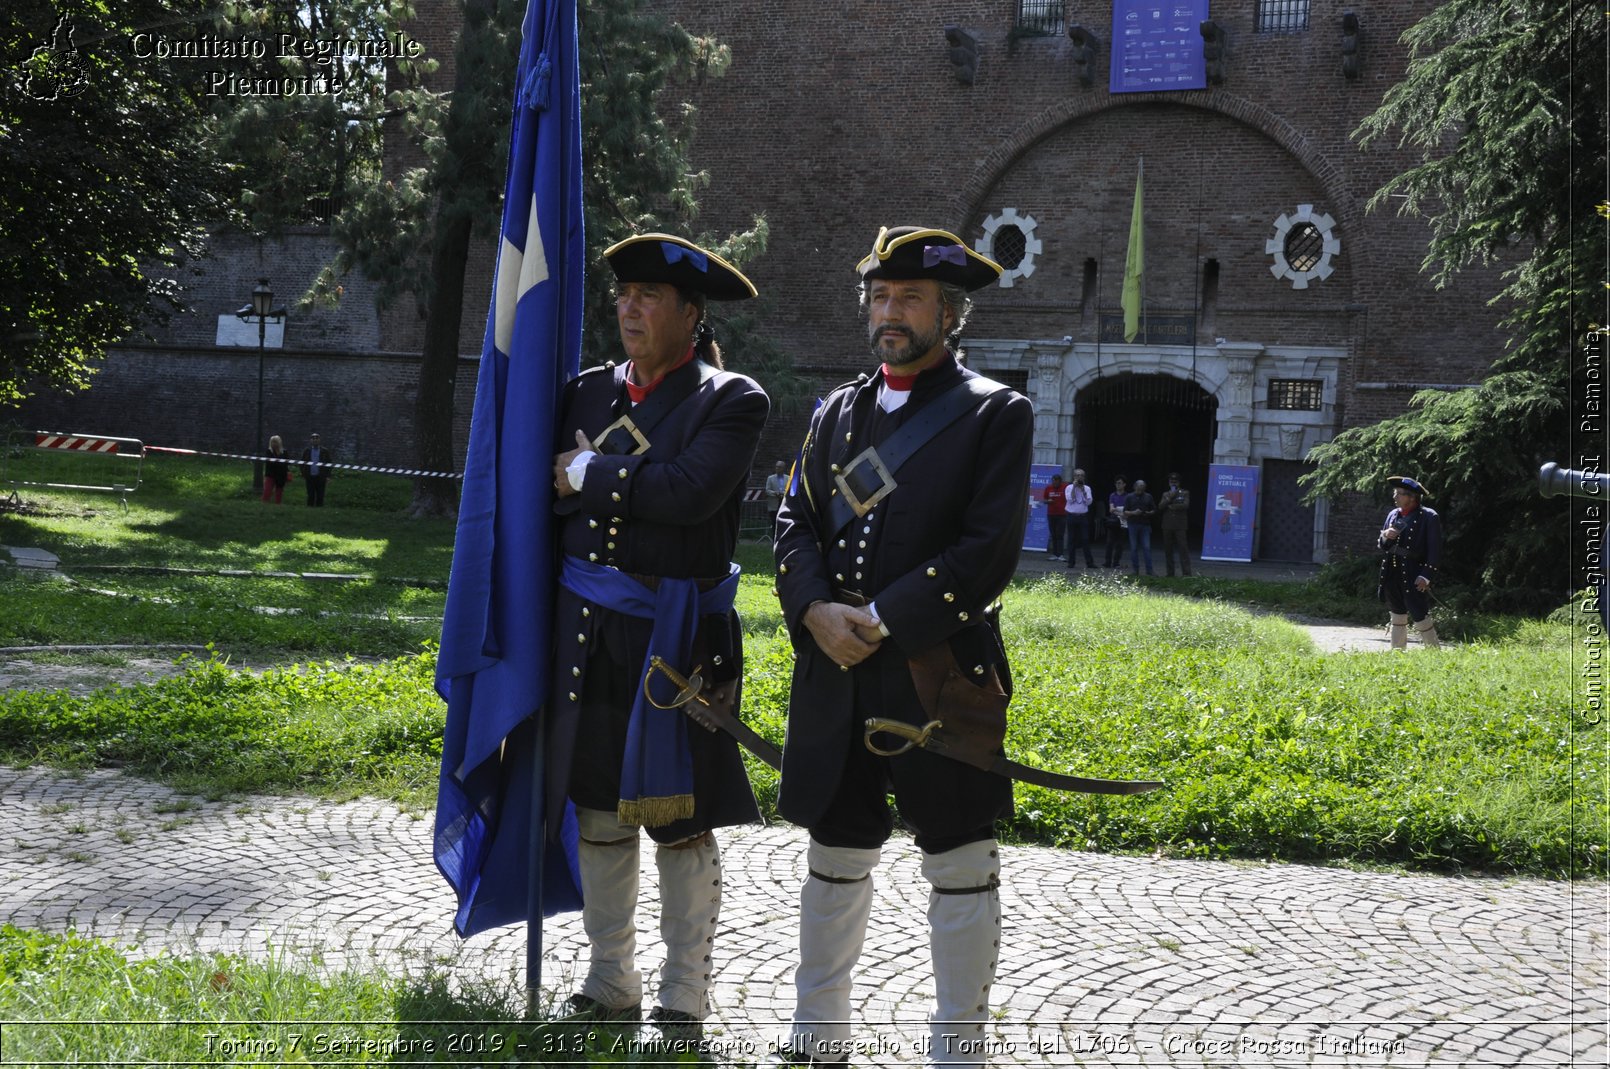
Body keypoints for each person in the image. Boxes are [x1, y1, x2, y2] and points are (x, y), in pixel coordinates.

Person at [772, 226, 1033, 1066]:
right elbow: (794, 525)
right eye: (881, 296)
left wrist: (877, 618)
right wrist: (814, 607)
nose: (891, 312)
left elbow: (987, 552)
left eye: (911, 298)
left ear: (948, 314)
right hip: (835, 675)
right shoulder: (835, 410)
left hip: (935, 675)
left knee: (958, 857)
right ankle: (817, 1040)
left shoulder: (995, 413)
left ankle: (959, 1050)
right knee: (834, 852)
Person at [547, 233, 769, 1041]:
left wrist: (587, 475)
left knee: (679, 818)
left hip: (680, 642)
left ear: (689, 312)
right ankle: (611, 977)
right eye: (623, 294)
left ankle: (685, 989)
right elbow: (546, 492)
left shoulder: (731, 399)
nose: (630, 309)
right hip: (586, 634)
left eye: (648, 296)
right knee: (598, 810)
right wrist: (584, 481)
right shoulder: (581, 393)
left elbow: (689, 494)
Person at [1377, 475, 1442, 649]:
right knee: (1397, 614)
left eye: (1399, 493)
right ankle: (1398, 655)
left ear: (1412, 497)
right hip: (1392, 571)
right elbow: (1383, 546)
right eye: (1395, 493)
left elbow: (1434, 550)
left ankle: (1434, 654)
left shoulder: (1429, 517)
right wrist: (1386, 537)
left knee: (1420, 613)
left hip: (1414, 571)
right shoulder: (1393, 514)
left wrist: (1426, 575)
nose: (1394, 497)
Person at [1158, 471, 1192, 577]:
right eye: (1171, 481)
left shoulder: (1184, 492)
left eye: (1175, 481)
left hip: (1180, 525)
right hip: (1167, 525)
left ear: (1179, 483)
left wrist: (1173, 506)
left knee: (1183, 549)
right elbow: (1160, 506)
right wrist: (1170, 498)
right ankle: (1170, 573)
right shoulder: (1165, 494)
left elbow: (1185, 505)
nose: (1173, 483)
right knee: (1168, 549)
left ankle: (1186, 573)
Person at [1063, 467, 1096, 569]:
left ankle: (1089, 563)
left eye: (1081, 475)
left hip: (1083, 517)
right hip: (1071, 516)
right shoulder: (1068, 487)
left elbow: (1089, 502)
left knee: (1085, 539)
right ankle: (1071, 562)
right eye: (1077, 475)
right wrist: (1074, 487)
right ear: (1074, 477)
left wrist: (1083, 491)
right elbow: (1070, 500)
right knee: (1071, 540)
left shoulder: (1087, 488)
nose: (1080, 477)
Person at [1124, 478, 1156, 576]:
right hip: (1132, 524)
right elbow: (1125, 511)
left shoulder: (1148, 496)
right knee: (1133, 548)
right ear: (1134, 487)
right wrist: (1134, 512)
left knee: (1146, 548)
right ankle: (1135, 570)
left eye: (1142, 487)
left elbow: (1154, 509)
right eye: (1139, 487)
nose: (1140, 489)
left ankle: (1149, 571)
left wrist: (1149, 513)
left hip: (1145, 525)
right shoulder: (1129, 497)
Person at [299, 433, 332, 506]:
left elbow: (329, 464)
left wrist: (328, 476)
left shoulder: (325, 451)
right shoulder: (307, 451)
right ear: (310, 440)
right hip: (310, 477)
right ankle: (310, 510)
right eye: (313, 438)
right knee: (310, 495)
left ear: (319, 440)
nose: (315, 440)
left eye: (317, 438)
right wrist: (303, 473)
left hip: (321, 477)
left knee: (320, 495)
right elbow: (301, 463)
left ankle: (319, 510)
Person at [1103, 475, 1129, 568]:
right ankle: (1107, 562)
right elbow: (1111, 509)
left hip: (1123, 521)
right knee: (1109, 542)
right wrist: (1120, 511)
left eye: (1120, 483)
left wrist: (1117, 510)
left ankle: (1116, 562)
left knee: (1120, 543)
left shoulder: (1128, 496)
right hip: (1113, 520)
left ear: (1124, 484)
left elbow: (1127, 510)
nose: (1118, 485)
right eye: (1116, 483)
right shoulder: (1112, 495)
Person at [1042, 472, 1068, 560]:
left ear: (1060, 481)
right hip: (1051, 514)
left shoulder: (1065, 487)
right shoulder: (1048, 488)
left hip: (1062, 514)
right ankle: (1054, 554)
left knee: (1060, 534)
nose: (1054, 483)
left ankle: (1060, 555)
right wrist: (1048, 501)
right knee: (1053, 534)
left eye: (1056, 482)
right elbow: (1044, 499)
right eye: (1053, 481)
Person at [261, 434, 291, 504]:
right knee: (267, 491)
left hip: (281, 475)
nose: (274, 444)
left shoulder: (285, 452)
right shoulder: (269, 452)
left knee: (279, 492)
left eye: (275, 442)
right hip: (270, 474)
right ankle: (264, 504)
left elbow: (287, 463)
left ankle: (278, 506)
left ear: (279, 443)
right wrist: (280, 463)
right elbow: (269, 463)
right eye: (272, 442)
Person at [765, 460, 789, 534]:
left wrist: (784, 493)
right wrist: (775, 493)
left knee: (784, 523)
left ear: (783, 468)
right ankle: (774, 541)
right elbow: (767, 490)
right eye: (776, 466)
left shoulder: (788, 478)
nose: (777, 468)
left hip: (784, 503)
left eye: (779, 467)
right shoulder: (770, 478)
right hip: (774, 504)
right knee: (774, 523)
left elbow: (790, 489)